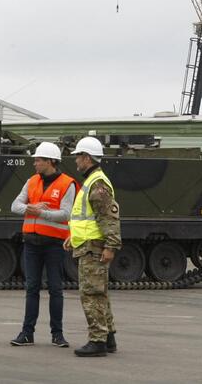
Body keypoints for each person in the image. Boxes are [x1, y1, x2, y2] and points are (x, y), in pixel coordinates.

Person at [10, 142, 77, 348]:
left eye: (38, 160)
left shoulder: (68, 184)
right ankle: (27, 333)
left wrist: (41, 213)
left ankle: (57, 334)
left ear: (50, 162)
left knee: (55, 289)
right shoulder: (31, 182)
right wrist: (32, 208)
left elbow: (66, 213)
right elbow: (15, 206)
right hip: (31, 243)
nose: (35, 163)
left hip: (54, 245)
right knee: (32, 288)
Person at [64, 136, 121, 357]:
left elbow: (108, 218)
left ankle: (97, 341)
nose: (76, 160)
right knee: (100, 293)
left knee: (91, 294)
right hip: (89, 244)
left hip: (94, 248)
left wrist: (111, 246)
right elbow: (86, 218)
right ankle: (108, 338)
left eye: (78, 156)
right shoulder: (92, 181)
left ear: (87, 158)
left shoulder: (96, 183)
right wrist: (74, 237)